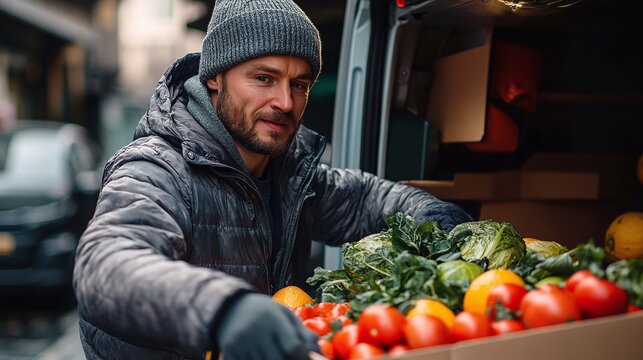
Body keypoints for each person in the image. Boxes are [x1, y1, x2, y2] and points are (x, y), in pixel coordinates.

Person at [73, 0, 473, 359]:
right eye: (263, 78)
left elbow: (368, 198)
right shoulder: (157, 168)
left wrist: (446, 221)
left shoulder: (288, 174)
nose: (284, 102)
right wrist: (223, 310)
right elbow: (105, 265)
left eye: (298, 84)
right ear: (215, 77)